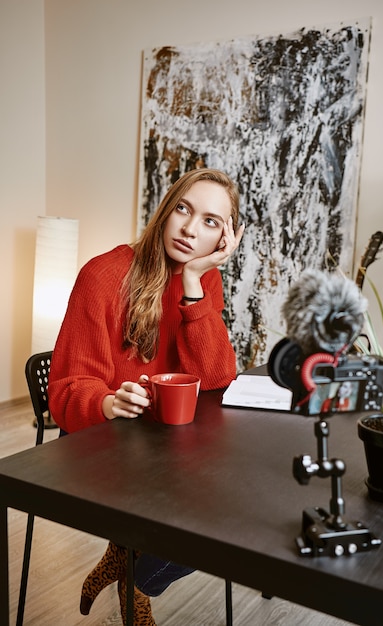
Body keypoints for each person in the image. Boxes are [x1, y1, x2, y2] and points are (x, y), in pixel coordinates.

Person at [48, 168, 245, 625]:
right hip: (102, 444)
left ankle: (133, 571)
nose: (191, 229)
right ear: (166, 207)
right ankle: (135, 566)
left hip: (168, 443)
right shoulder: (103, 275)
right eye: (184, 209)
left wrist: (195, 280)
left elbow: (215, 377)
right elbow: (67, 388)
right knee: (218, 513)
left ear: (224, 238)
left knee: (242, 505)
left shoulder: (203, 279)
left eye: (212, 221)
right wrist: (108, 402)